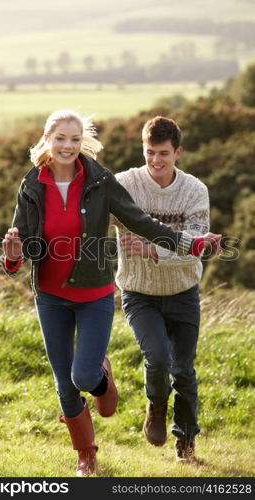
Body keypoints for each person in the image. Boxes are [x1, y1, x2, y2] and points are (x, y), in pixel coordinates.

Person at [0, 110, 221, 476]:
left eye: (74, 139)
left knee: (83, 377)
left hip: (94, 293)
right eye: (61, 138)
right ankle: (86, 455)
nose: (68, 146)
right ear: (47, 141)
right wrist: (12, 258)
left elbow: (143, 223)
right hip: (50, 296)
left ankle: (101, 376)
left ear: (82, 142)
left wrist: (191, 244)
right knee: (63, 382)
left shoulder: (100, 182)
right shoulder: (32, 185)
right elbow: (22, 242)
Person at [114, 115, 213, 463]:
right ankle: (156, 406)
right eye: (150, 152)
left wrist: (155, 249)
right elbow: (92, 218)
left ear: (178, 152)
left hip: (183, 292)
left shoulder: (194, 191)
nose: (156, 161)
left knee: (183, 370)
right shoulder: (124, 184)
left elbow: (195, 250)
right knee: (157, 359)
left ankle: (185, 442)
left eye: (164, 154)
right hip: (139, 292)